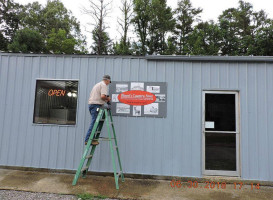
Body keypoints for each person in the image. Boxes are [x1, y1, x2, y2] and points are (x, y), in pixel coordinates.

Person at [84, 75, 111, 145]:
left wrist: (105, 99)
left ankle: (92, 139)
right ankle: (87, 140)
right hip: (96, 105)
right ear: (107, 80)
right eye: (109, 82)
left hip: (92, 105)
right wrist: (108, 99)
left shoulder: (98, 84)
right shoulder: (104, 85)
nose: (108, 83)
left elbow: (99, 96)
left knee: (96, 122)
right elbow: (102, 96)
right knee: (94, 122)